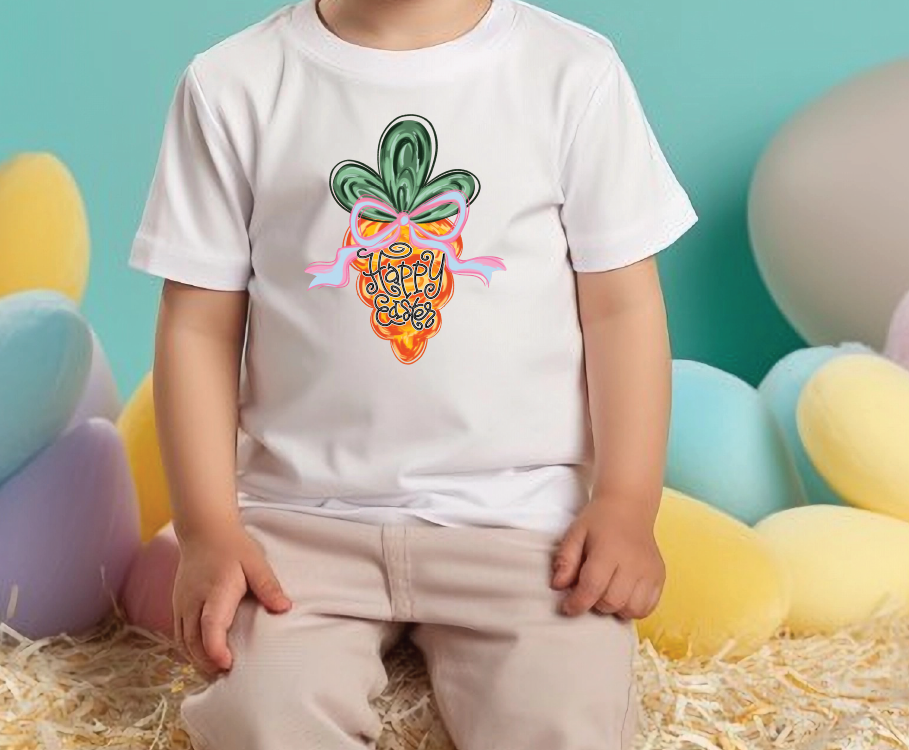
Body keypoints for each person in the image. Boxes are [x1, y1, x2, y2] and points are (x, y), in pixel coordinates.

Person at [130, 0, 698, 747]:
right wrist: (207, 528)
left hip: (523, 529)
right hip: (301, 531)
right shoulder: (232, 85)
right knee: (262, 717)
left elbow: (621, 308)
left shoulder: (572, 73)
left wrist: (626, 503)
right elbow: (199, 327)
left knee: (567, 719)